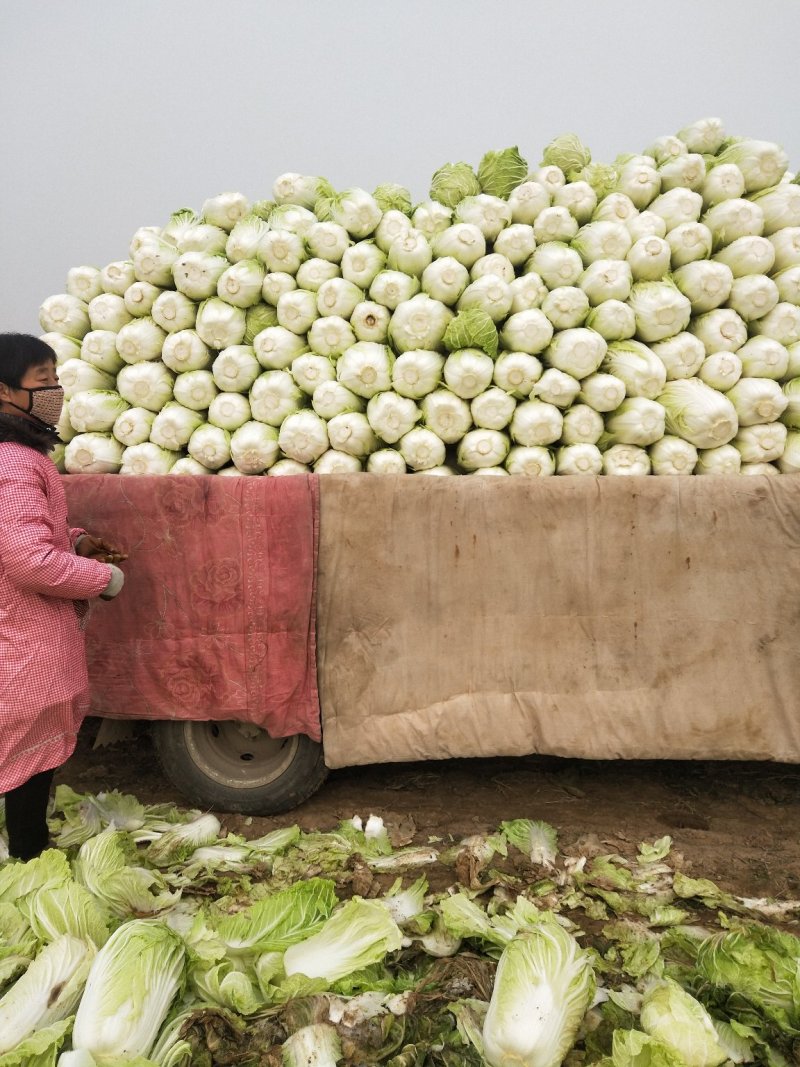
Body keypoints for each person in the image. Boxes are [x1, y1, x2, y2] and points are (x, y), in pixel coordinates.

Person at [0, 332, 127, 862]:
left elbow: (29, 532)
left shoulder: (21, 454)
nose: (54, 392)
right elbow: (26, 558)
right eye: (41, 383)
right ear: (5, 392)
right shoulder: (11, 461)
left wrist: (75, 541)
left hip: (28, 627)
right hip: (22, 632)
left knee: (34, 745)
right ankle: (31, 856)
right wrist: (103, 580)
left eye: (56, 380)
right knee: (27, 749)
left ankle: (29, 845)